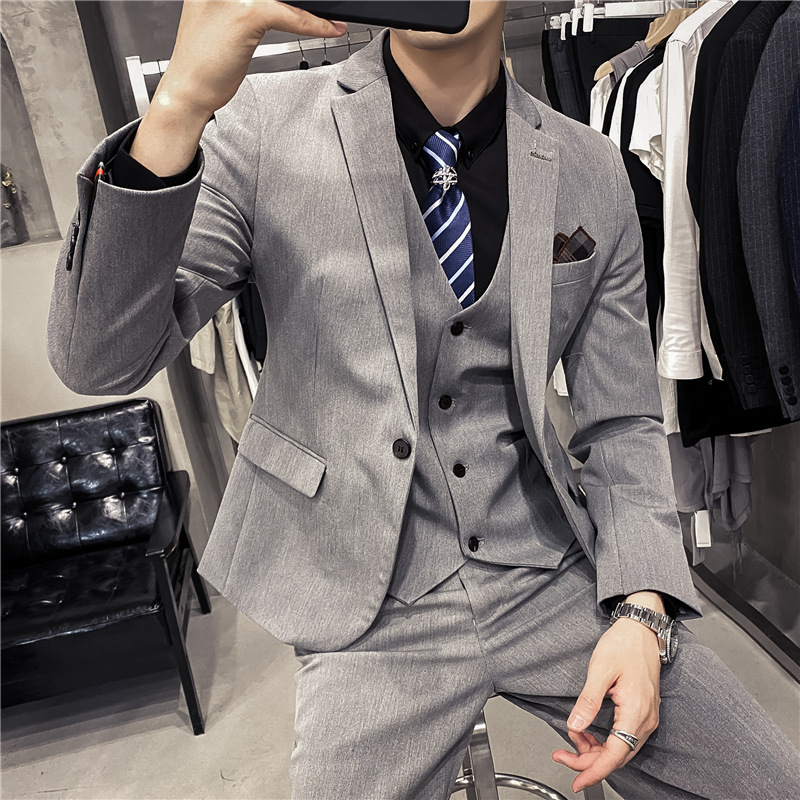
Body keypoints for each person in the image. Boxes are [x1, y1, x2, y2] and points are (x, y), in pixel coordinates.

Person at [47, 2, 800, 798]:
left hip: (552, 571)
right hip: (363, 595)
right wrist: (179, 107)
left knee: (764, 782)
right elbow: (101, 360)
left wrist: (643, 609)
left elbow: (621, 421)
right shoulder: (262, 130)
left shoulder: (587, 164)